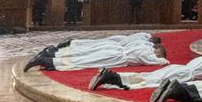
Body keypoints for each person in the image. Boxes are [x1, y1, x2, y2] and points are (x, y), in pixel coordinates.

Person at [24, 34, 167, 72]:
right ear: (156, 49)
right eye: (158, 53)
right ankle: (49, 60)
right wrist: (163, 60)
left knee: (84, 55)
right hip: (115, 56)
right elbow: (150, 60)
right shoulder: (147, 50)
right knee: (84, 60)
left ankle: (51, 55)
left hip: (115, 51)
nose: (157, 56)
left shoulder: (143, 43)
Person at [90, 56, 202, 92]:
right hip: (183, 74)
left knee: (148, 76)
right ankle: (113, 78)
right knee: (148, 81)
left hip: (178, 68)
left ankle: (112, 77)